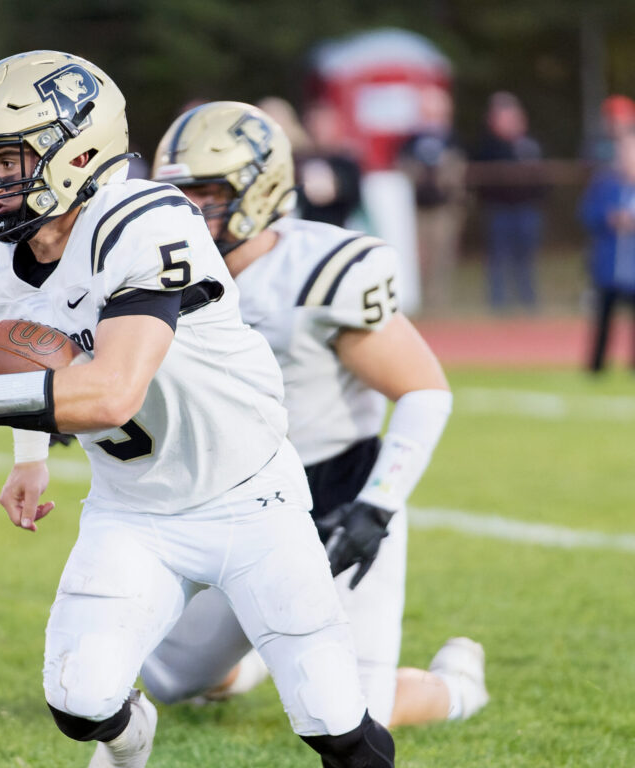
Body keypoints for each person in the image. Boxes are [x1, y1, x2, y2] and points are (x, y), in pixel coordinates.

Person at [0, 51, 395, 768]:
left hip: (250, 495)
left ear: (77, 152)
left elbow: (112, 390)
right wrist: (29, 458)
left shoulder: (144, 223)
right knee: (79, 699)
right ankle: (132, 742)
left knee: (332, 722)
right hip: (134, 508)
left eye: (7, 161)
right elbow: (30, 342)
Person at [142, 101, 489, 729]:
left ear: (260, 189)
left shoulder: (317, 274)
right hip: (230, 500)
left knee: (354, 713)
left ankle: (459, 684)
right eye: (177, 196)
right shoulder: (156, 274)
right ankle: (254, 659)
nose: (189, 212)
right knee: (164, 679)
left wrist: (378, 505)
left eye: (207, 193)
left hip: (334, 497)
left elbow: (424, 390)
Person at [471, 91, 546, 311]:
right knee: (498, 258)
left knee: (526, 259)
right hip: (499, 209)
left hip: (526, 209)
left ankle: (528, 302)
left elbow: (543, 176)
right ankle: (498, 304)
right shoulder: (488, 146)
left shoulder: (529, 145)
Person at [396, 86, 467, 313]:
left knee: (441, 256)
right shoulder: (411, 139)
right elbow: (402, 166)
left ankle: (438, 303)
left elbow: (461, 169)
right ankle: (417, 301)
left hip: (443, 207)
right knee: (417, 257)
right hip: (416, 208)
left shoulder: (452, 138)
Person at [580, 128, 635, 372]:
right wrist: (608, 218)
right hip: (609, 265)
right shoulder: (605, 182)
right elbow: (586, 214)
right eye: (624, 150)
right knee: (603, 318)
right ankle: (596, 367)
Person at [296, 100, 364, 228]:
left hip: (338, 227)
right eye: (313, 124)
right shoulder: (299, 159)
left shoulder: (346, 161)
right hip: (306, 228)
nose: (317, 130)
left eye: (322, 125)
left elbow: (354, 197)